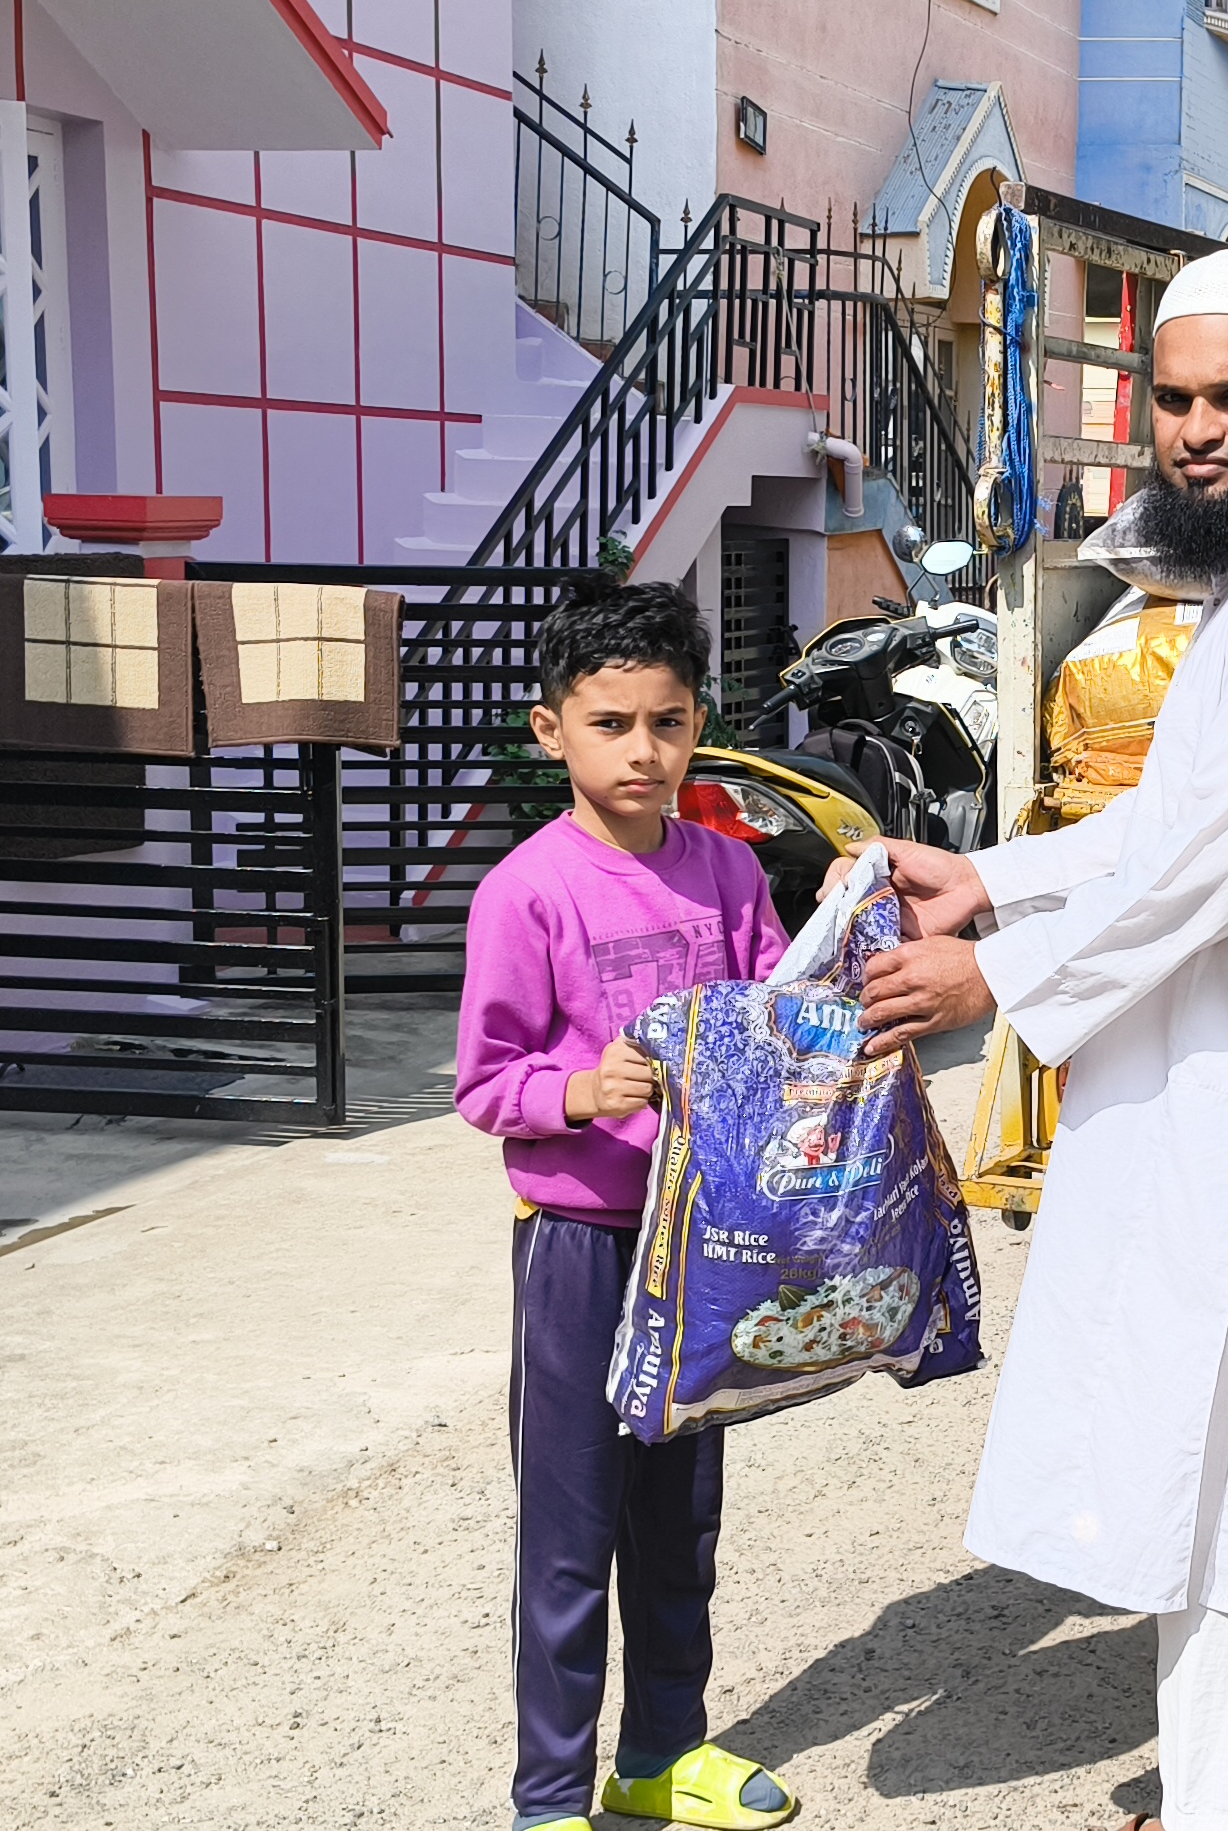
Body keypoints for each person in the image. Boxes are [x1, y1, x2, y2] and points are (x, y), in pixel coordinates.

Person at [855, 249, 1228, 1831]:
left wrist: (1004, 978)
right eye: (1175, 400)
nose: (1195, 431)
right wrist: (997, 875)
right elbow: (1179, 815)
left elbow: (1220, 854)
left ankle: (1223, 1805)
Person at [452, 583, 802, 1831]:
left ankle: (659, 1756)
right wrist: (581, 1089)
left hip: (699, 1242)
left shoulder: (725, 870)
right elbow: (485, 1085)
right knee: (568, 1526)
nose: (643, 751)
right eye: (611, 723)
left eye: (667, 720)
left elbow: (772, 1010)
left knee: (678, 1521)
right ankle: (549, 1796)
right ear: (554, 732)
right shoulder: (527, 893)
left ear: (698, 719)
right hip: (579, 1247)